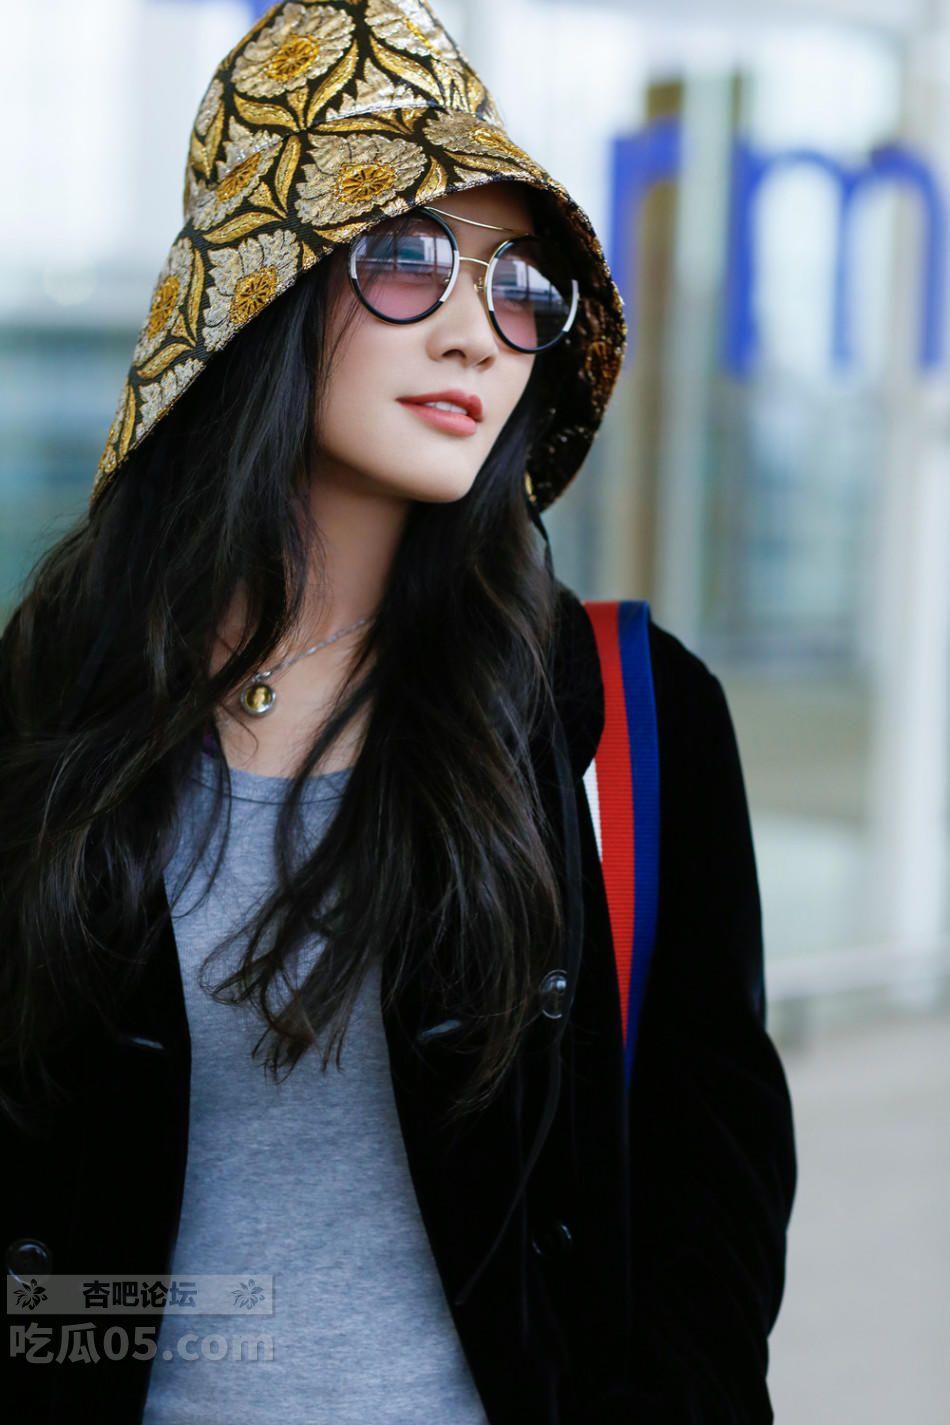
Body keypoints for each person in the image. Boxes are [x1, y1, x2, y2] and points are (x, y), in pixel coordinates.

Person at [0, 2, 797, 1422]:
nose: (479, 333)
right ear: (262, 282)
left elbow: (709, 1220)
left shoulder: (626, 714)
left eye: (520, 286)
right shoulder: (54, 700)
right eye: (409, 258)